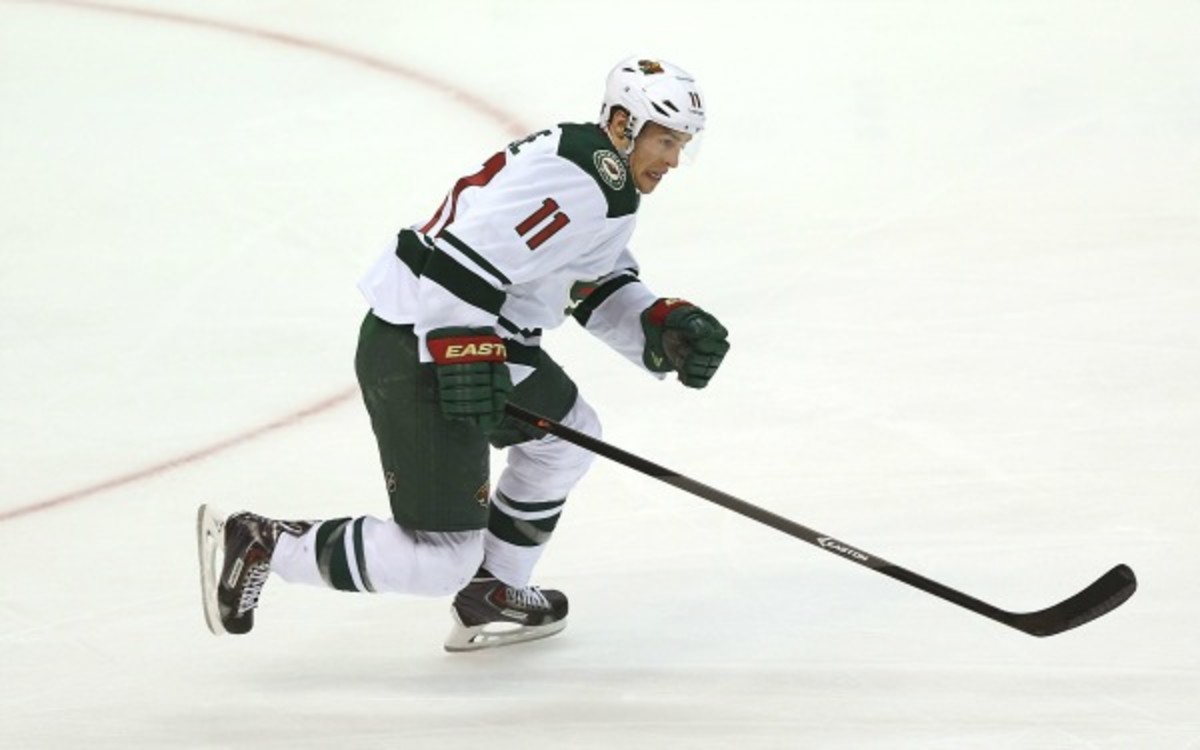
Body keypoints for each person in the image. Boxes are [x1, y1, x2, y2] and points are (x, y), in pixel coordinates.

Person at [196, 57, 731, 652]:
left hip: (474, 339)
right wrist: (464, 353)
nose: (674, 160)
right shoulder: (581, 178)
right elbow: (461, 260)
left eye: (682, 143)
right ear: (625, 124)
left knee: (566, 436)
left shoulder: (605, 180)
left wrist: (657, 328)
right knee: (439, 561)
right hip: (417, 344)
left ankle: (494, 588)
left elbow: (586, 281)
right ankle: (267, 545)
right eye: (665, 140)